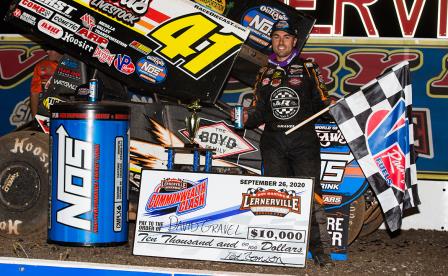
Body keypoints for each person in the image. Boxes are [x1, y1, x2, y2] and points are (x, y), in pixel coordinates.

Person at [232, 20, 334, 268]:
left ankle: (321, 253)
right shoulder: (264, 73)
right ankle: (278, 252)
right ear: (272, 41)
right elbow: (258, 112)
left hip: (304, 143)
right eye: (276, 37)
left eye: (286, 37)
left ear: (294, 41)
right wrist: (245, 118)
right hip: (274, 143)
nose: (281, 42)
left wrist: (330, 107)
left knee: (311, 197)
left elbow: (324, 104)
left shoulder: (309, 68)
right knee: (276, 198)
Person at [30, 48, 62, 117]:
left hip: (68, 112)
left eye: (51, 49)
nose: (47, 51)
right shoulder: (41, 66)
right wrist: (35, 118)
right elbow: (34, 93)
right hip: (46, 112)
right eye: (46, 49)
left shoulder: (77, 65)